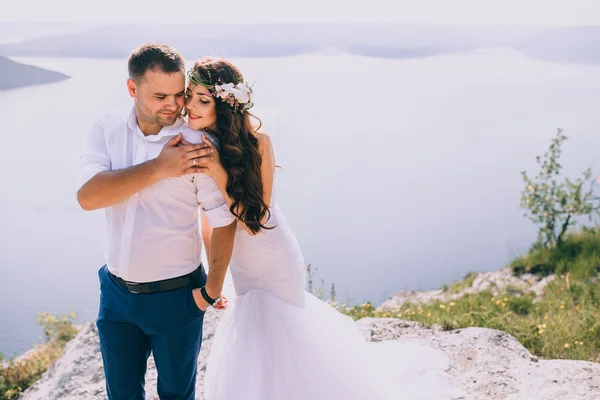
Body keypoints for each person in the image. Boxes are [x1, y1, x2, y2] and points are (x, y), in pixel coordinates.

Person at [184, 56, 465, 400]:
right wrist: (216, 278)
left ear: (226, 107)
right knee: (253, 341)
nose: (190, 107)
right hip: (241, 268)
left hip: (271, 256)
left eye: (203, 99)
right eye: (189, 95)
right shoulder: (199, 144)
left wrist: (218, 172)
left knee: (281, 334)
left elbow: (255, 222)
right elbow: (208, 215)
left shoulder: (259, 143)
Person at [75, 43, 236, 400]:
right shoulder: (107, 127)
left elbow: (223, 220)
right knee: (121, 395)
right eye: (160, 95)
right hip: (115, 294)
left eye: (179, 94)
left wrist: (210, 292)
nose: (174, 105)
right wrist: (159, 169)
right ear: (132, 89)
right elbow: (88, 197)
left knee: (177, 395)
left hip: (178, 296)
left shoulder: (196, 143)